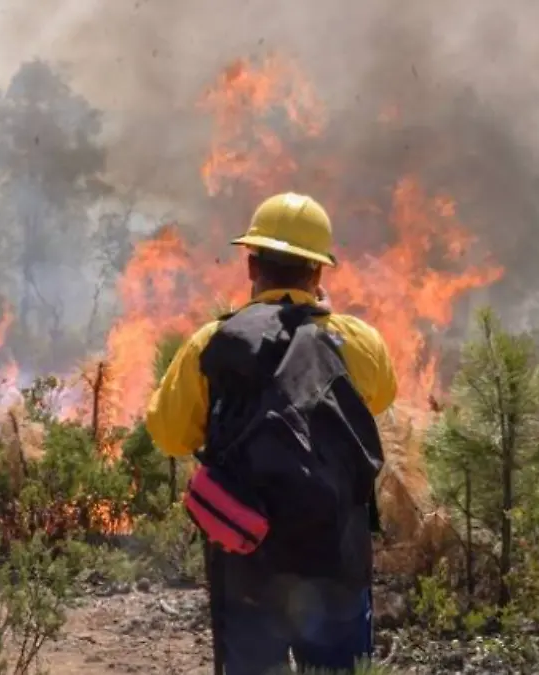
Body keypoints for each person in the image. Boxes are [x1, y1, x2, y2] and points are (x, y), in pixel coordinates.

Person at [146, 192, 398, 675]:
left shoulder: (212, 342)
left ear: (251, 264)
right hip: (338, 560)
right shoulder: (358, 343)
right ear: (319, 273)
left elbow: (171, 436)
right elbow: (381, 398)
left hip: (246, 561)